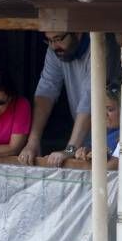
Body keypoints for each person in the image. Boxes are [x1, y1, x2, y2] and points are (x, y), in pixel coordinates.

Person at [18, 32, 91, 167]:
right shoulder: (56, 50)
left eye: (58, 39)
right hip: (82, 145)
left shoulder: (98, 46)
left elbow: (90, 101)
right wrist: (32, 142)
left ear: (78, 32)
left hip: (111, 141)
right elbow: (46, 92)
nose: (53, 46)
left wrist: (69, 150)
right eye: (49, 41)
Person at [76, 85, 120, 170]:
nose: (104, 114)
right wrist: (84, 152)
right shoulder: (103, 132)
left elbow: (112, 166)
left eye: (110, 110)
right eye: (102, 109)